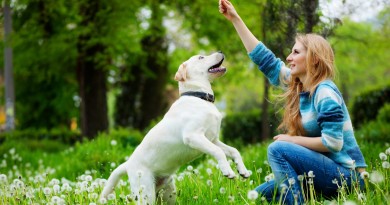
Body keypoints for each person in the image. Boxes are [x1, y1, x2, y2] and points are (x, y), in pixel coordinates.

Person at [218, 0, 367, 204]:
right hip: (319, 172)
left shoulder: (325, 92)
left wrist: (291, 140)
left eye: (296, 52)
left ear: (314, 59)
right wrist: (236, 19)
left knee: (277, 149)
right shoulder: (300, 86)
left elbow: (333, 143)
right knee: (259, 196)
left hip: (345, 177)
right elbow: (266, 61)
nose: (289, 57)